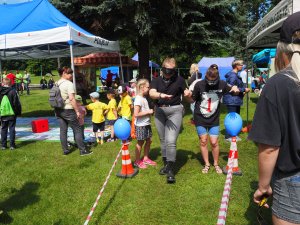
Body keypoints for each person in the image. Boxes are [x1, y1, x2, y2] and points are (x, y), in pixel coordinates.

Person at [249, 12, 300, 225]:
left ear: (282, 49)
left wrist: (263, 186)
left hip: (292, 179)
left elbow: (269, 147)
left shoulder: (277, 84)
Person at [186, 64, 239, 174]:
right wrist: (187, 96)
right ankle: (207, 164)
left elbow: (232, 88)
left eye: (213, 81)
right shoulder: (199, 84)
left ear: (217, 77)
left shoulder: (222, 84)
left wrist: (235, 88)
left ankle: (216, 163)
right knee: (203, 141)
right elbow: (192, 100)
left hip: (214, 117)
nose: (211, 83)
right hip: (200, 116)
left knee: (214, 142)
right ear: (206, 76)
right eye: (209, 81)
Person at [149, 57, 192, 184]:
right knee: (163, 140)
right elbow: (152, 93)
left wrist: (188, 93)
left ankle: (170, 169)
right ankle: (166, 164)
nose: (169, 74)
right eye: (167, 71)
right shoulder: (156, 80)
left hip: (175, 111)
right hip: (160, 112)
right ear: (162, 69)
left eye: (171, 71)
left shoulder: (179, 80)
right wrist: (161, 95)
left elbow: (185, 92)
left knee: (171, 141)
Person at [55, 67, 92, 156]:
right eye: (69, 73)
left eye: (71, 73)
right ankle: (83, 150)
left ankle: (65, 150)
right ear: (64, 73)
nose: (71, 75)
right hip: (68, 109)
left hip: (58, 109)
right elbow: (72, 98)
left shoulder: (56, 83)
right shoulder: (69, 84)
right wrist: (77, 110)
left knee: (63, 130)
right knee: (78, 129)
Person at [223, 59, 250, 141]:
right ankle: (228, 136)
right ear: (236, 66)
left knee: (235, 117)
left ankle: (233, 134)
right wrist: (244, 89)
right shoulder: (233, 76)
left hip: (235, 99)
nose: (242, 66)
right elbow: (231, 88)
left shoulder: (234, 74)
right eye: (241, 65)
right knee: (232, 118)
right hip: (232, 100)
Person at [133, 79, 156, 169]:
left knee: (149, 141)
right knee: (140, 142)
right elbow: (136, 114)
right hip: (141, 125)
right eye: (148, 87)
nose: (149, 88)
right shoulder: (138, 99)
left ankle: (145, 158)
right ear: (142, 87)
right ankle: (137, 161)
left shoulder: (143, 98)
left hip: (146, 124)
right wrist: (148, 111)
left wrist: (150, 112)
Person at [0, 78, 22, 150]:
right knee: (12, 128)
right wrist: (18, 112)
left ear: (2, 83)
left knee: (3, 129)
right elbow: (16, 103)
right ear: (10, 84)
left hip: (3, 114)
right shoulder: (13, 91)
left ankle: (3, 145)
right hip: (12, 114)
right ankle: (12, 145)